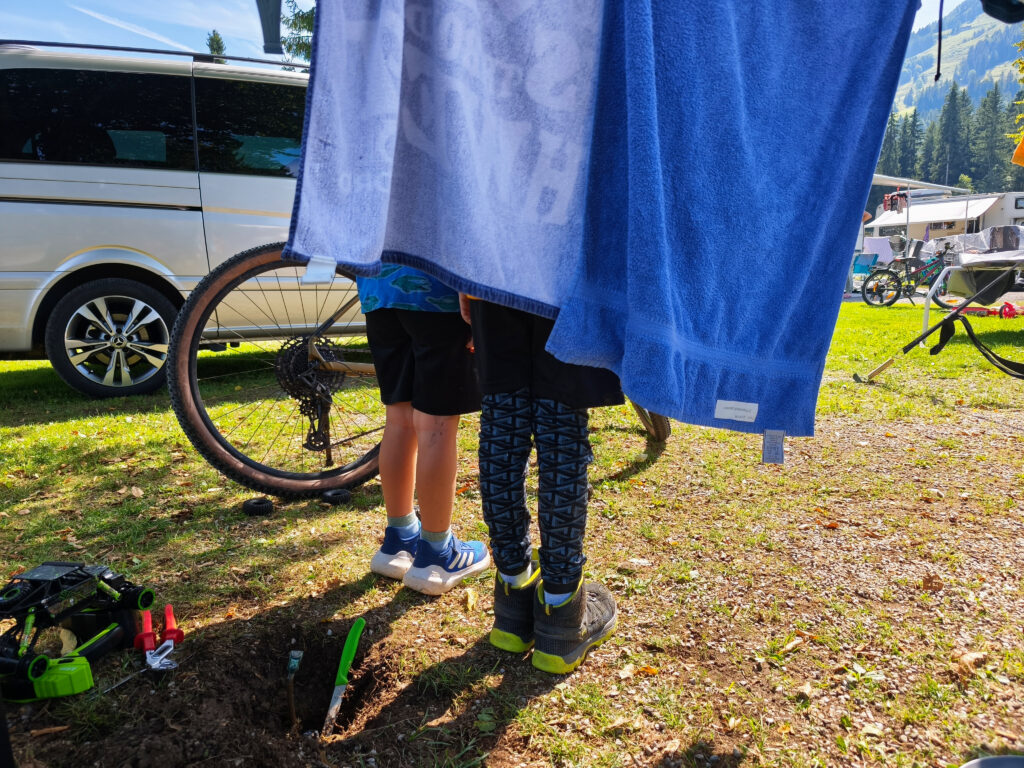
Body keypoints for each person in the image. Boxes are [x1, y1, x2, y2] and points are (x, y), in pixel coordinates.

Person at [461, 296, 623, 673]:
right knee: (561, 422)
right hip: (566, 275)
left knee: (503, 420)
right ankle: (561, 611)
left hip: (497, 268)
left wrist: (466, 279)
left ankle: (513, 595)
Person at [359, 264, 490, 596]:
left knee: (399, 418)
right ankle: (436, 555)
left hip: (379, 287)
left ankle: (399, 541)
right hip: (438, 290)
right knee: (438, 424)